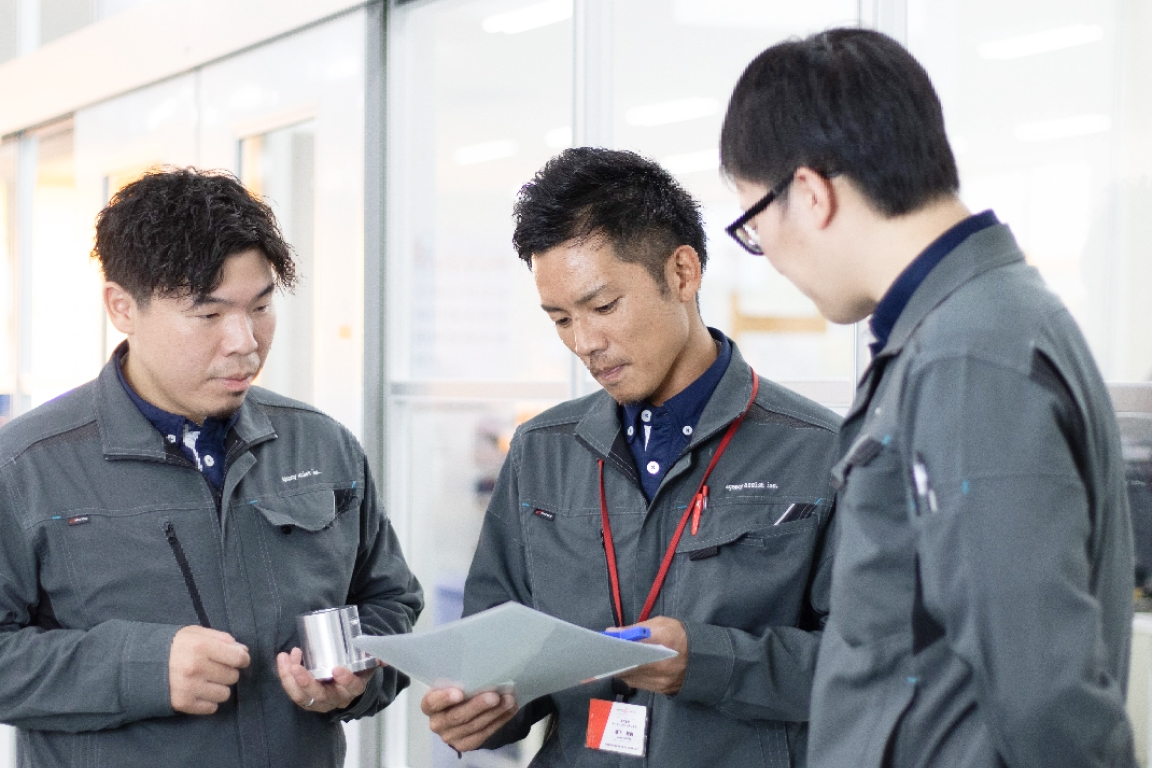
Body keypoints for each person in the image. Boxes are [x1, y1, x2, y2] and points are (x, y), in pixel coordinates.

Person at [720, 28, 1136, 767]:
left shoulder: (969, 354)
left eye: (755, 225)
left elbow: (1042, 688)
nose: (771, 260)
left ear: (811, 195)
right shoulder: (969, 328)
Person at [421, 147, 840, 766]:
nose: (585, 343)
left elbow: (873, 668)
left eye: (603, 306)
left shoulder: (821, 452)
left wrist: (708, 662)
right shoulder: (541, 453)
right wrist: (482, 710)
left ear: (682, 273)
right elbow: (502, 660)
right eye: (560, 319)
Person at [0, 168, 423, 767]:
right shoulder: (25, 466)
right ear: (122, 306)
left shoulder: (321, 446)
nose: (244, 342)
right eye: (208, 314)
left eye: (261, 307)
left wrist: (359, 674)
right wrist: (139, 668)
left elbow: (390, 601)